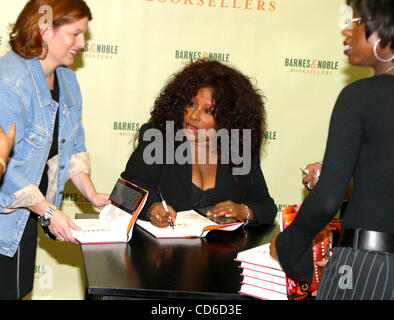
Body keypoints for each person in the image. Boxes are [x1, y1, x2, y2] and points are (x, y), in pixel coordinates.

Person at [270, 0, 394, 300]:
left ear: (383, 30)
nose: (346, 32)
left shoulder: (360, 97)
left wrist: (290, 245)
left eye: (355, 21)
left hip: (368, 265)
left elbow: (327, 200)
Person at [0, 0, 110, 300]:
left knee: (17, 291)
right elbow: (4, 170)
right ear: (44, 30)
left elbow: (73, 147)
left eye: (83, 34)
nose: (82, 43)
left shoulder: (68, 81)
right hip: (6, 219)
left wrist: (91, 194)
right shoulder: (8, 82)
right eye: (75, 34)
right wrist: (49, 213)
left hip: (24, 218)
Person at [121, 59, 277, 228]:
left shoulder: (238, 151)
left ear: (229, 120)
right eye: (192, 104)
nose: (194, 115)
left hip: (221, 251)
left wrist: (244, 211)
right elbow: (124, 192)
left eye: (208, 111)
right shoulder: (159, 138)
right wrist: (151, 207)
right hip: (164, 250)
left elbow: (266, 207)